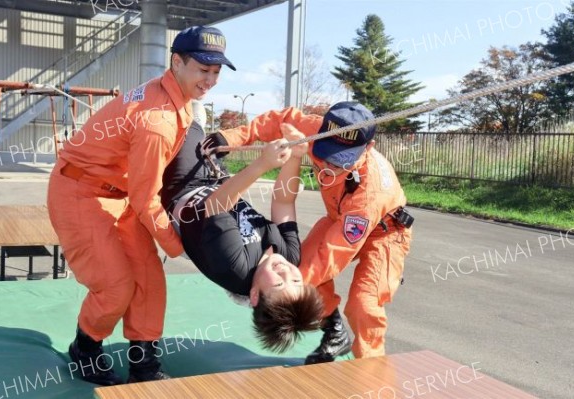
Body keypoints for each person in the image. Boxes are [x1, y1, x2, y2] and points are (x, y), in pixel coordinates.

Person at [47, 26, 235, 385]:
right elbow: (146, 199)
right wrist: (179, 245)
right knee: (116, 285)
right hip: (80, 191)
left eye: (216, 72)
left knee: (150, 279)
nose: (210, 79)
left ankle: (143, 363)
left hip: (121, 192)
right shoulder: (158, 119)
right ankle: (85, 348)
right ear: (177, 62)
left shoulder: (173, 96)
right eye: (202, 69)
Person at [213, 101, 413, 363]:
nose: (331, 165)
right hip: (337, 219)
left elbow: (333, 253)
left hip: (384, 234)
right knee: (300, 264)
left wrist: (282, 289)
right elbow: (278, 119)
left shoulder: (371, 193)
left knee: (363, 304)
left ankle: (371, 369)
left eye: (342, 160)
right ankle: (334, 331)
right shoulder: (320, 128)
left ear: (368, 148)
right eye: (327, 153)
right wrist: (230, 137)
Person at [161, 121, 323, 353]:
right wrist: (296, 157)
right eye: (297, 280)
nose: (286, 271)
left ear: (255, 295)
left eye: (278, 283)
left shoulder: (233, 268)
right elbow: (284, 202)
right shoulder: (290, 257)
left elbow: (215, 205)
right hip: (217, 180)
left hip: (184, 188)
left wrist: (262, 165)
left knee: (185, 126)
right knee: (193, 127)